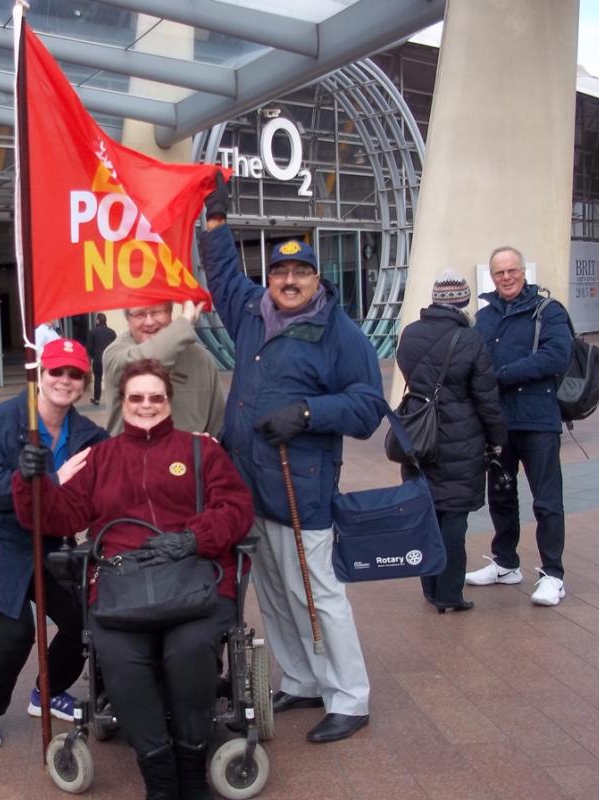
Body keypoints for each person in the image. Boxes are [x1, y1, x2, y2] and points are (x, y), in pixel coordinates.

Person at [13, 358, 253, 800]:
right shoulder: (102, 458)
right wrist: (32, 482)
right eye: (136, 397)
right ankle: (159, 779)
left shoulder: (201, 451)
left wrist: (192, 539)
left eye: (155, 398)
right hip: (122, 586)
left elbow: (237, 509)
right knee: (121, 661)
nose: (146, 406)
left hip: (194, 579)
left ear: (169, 402)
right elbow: (58, 516)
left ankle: (191, 769)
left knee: (189, 651)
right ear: (122, 402)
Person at [199, 176, 383, 744]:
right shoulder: (251, 313)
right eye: (280, 272)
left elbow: (369, 405)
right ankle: (302, 680)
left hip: (300, 487)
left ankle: (350, 697)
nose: (289, 280)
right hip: (248, 481)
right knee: (275, 593)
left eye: (300, 272)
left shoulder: (339, 331)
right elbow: (225, 276)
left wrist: (306, 414)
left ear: (316, 278)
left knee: (316, 593)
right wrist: (215, 224)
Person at [0, 338, 108, 751]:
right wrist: (49, 480)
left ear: (84, 383)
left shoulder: (87, 434)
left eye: (75, 374)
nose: (65, 381)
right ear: (39, 376)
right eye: (57, 372)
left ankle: (46, 694)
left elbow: (121, 471)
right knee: (13, 634)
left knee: (85, 622)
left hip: (45, 540)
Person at [465, 246, 572, 606]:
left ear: (524, 272)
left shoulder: (548, 310)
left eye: (512, 271)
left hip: (538, 420)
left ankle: (553, 575)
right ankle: (507, 564)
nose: (506, 277)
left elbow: (557, 355)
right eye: (499, 273)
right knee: (501, 494)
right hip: (497, 423)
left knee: (546, 500)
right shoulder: (485, 316)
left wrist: (502, 376)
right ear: (491, 277)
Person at [395, 270, 507, 612]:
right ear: (463, 302)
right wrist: (497, 439)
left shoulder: (410, 334)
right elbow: (486, 398)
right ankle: (449, 593)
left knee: (426, 515)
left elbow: (411, 376)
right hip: (461, 440)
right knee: (453, 520)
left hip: (418, 436)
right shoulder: (470, 340)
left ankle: (429, 587)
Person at [102, 300, 225, 435]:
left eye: (157, 312)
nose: (149, 322)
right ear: (127, 319)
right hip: (129, 455)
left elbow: (217, 420)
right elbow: (144, 366)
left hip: (189, 454)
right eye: (139, 314)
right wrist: (184, 323)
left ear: (170, 312)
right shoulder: (115, 354)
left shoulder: (200, 359)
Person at [86, 313, 116, 405]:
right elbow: (115, 346)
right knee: (111, 379)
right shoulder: (112, 332)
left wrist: (93, 356)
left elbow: (89, 347)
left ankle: (97, 399)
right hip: (109, 359)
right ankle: (114, 399)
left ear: (98, 320)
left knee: (98, 379)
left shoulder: (93, 332)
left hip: (98, 359)